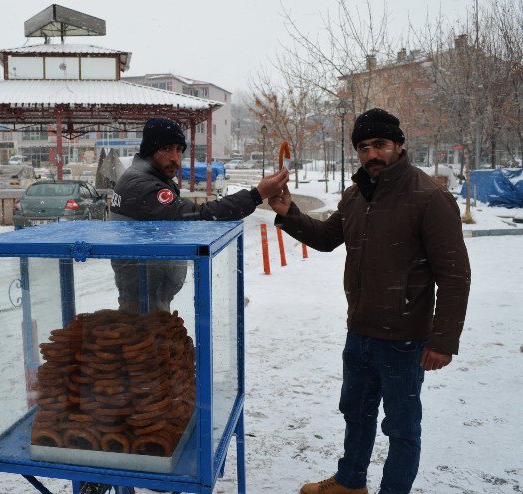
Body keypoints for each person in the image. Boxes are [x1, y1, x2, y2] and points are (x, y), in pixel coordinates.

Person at [268, 108, 471, 494]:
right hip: (360, 332)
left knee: (401, 428)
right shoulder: (357, 194)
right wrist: (289, 213)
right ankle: (350, 482)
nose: (371, 154)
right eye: (363, 147)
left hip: (404, 338)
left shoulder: (429, 197)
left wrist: (443, 341)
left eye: (379, 144)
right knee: (356, 414)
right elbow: (328, 238)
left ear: (399, 145)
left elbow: (455, 276)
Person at [109, 116, 289, 312]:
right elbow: (198, 217)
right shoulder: (143, 187)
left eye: (179, 150)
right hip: (143, 303)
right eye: (167, 149)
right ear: (149, 151)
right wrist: (257, 195)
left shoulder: (145, 176)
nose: (175, 158)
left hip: (148, 295)